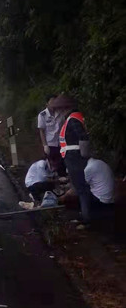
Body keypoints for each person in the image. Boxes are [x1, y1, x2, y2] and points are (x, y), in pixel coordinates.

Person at [51, 95, 92, 224]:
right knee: (80, 187)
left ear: (65, 108)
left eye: (59, 109)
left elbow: (83, 136)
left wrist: (84, 155)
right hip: (73, 157)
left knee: (81, 188)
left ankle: (86, 218)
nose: (58, 112)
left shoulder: (73, 119)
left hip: (74, 157)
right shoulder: (73, 117)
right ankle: (85, 213)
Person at [37, 94, 66, 176]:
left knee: (62, 165)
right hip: (50, 144)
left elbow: (64, 127)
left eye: (55, 101)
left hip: (61, 143)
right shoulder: (42, 115)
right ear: (47, 103)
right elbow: (41, 131)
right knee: (52, 166)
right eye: (52, 102)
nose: (54, 103)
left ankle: (63, 182)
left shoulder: (61, 113)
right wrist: (45, 145)